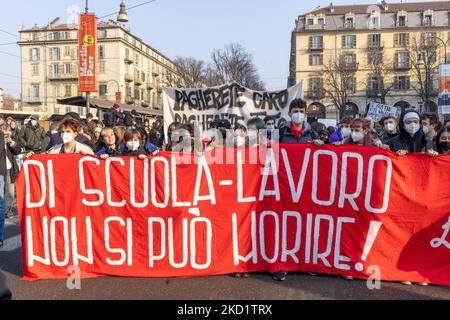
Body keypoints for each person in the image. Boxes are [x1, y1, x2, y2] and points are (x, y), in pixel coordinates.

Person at [0, 125, 22, 247]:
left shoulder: (9, 140)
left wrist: (11, 142)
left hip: (10, 169)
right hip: (1, 169)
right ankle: (4, 210)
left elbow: (17, 151)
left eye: (6, 131)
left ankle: (7, 210)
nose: (5, 132)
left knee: (9, 192)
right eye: (3, 130)